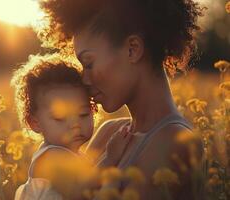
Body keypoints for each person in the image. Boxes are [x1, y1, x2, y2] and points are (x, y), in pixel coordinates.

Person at [39, 0, 205, 199]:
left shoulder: (177, 141)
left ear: (132, 49)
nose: (84, 79)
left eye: (89, 64)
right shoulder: (108, 133)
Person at [11, 54, 132, 199]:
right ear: (35, 123)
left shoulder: (76, 155)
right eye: (60, 118)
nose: (75, 125)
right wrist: (110, 159)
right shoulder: (49, 157)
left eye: (83, 114)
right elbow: (79, 191)